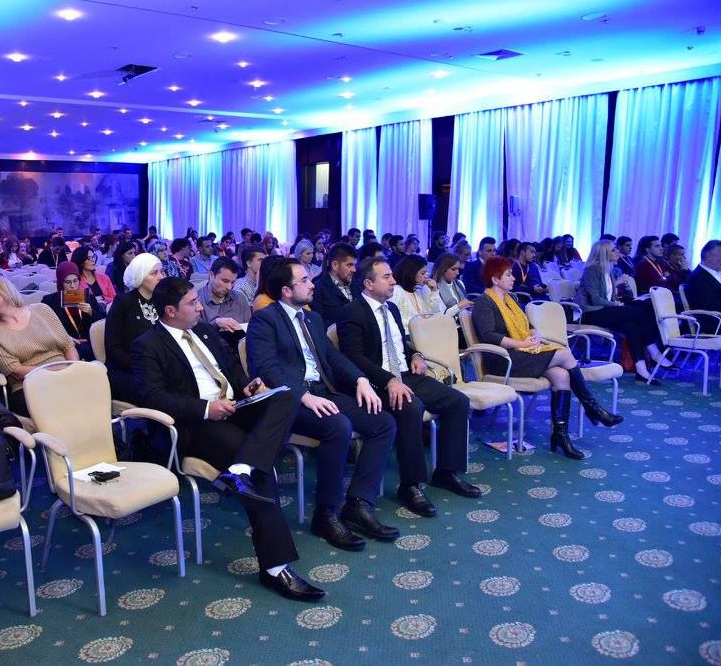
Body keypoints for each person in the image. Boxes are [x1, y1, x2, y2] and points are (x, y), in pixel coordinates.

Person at [131, 278, 324, 601]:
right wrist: (207, 408)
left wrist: (248, 386)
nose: (200, 307)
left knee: (286, 397)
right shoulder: (148, 345)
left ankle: (241, 469)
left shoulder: (204, 331)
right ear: (170, 311)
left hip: (234, 406)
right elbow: (153, 397)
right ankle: (275, 568)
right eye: (192, 303)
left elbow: (231, 368)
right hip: (196, 423)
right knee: (259, 471)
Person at [247, 262, 397, 551]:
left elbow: (333, 358)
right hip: (289, 401)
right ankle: (326, 514)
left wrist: (361, 380)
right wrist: (303, 395)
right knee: (338, 426)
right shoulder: (265, 320)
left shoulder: (312, 318)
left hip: (324, 391)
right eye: (304, 280)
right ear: (286, 290)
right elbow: (267, 368)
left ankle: (358, 503)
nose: (312, 283)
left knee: (383, 422)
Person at [338, 257, 479, 516]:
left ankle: (447, 472)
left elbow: (399, 343)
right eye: (386, 277)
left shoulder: (390, 308)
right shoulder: (352, 312)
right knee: (411, 407)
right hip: (375, 383)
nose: (393, 281)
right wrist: (388, 380)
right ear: (368, 284)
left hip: (403, 374)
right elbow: (354, 357)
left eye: (392, 276)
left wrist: (416, 355)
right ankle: (410, 485)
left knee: (458, 401)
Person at [471, 257, 622, 460]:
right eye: (508, 274)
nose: (513, 278)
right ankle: (592, 407)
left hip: (522, 354)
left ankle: (560, 435)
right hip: (502, 360)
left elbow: (529, 325)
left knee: (561, 376)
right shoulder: (484, 302)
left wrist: (535, 335)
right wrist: (522, 344)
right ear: (495, 279)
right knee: (564, 353)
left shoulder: (511, 299)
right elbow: (489, 335)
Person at [0, 274, 79, 416]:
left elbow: (68, 346)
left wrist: (73, 369)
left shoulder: (42, 310)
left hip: (66, 373)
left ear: (3, 290)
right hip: (30, 385)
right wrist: (58, 370)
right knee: (65, 401)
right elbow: (17, 371)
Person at [576, 240, 667, 382]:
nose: (617, 252)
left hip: (604, 310)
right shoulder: (592, 270)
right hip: (590, 313)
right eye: (614, 250)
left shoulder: (608, 269)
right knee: (638, 312)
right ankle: (654, 352)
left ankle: (641, 370)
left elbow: (610, 297)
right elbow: (595, 300)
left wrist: (617, 300)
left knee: (632, 325)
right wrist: (615, 304)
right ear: (604, 253)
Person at [104, 253, 166, 403]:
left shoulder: (163, 301)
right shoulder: (123, 302)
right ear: (140, 276)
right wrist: (144, 367)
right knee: (161, 393)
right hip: (128, 369)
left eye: (161, 272)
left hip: (158, 368)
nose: (161, 277)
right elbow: (112, 347)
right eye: (154, 273)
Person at [41, 261, 105, 361]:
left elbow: (102, 322)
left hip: (89, 341)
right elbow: (45, 328)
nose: (73, 286)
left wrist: (91, 312)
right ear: (60, 282)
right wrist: (64, 338)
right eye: (68, 282)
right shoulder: (50, 301)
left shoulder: (88, 298)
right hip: (65, 344)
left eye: (75, 281)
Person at [197, 258, 251, 347]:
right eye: (225, 281)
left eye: (233, 282)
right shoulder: (197, 301)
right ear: (212, 275)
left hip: (241, 350)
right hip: (212, 350)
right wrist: (215, 324)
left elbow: (250, 329)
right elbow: (196, 336)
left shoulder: (239, 298)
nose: (229, 287)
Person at [310, 243, 358, 327]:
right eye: (349, 265)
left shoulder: (356, 283)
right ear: (335, 265)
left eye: (354, 265)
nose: (354, 270)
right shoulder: (318, 288)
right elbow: (318, 322)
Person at [684, 240, 721, 329]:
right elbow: (710, 306)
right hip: (715, 324)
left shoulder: (717, 273)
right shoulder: (698, 278)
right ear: (708, 256)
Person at [432, 253, 473, 318]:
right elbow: (441, 317)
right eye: (453, 269)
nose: (457, 273)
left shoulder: (459, 283)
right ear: (442, 269)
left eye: (458, 269)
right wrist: (459, 306)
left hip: (463, 321)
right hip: (446, 323)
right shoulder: (434, 287)